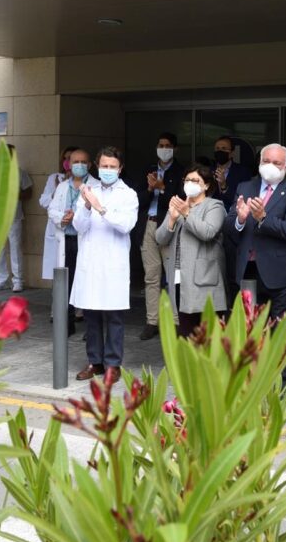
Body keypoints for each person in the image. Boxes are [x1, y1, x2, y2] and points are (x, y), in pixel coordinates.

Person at [228, 143, 286, 395]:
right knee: (253, 331)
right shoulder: (245, 187)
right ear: (259, 162)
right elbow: (230, 229)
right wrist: (240, 220)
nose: (271, 167)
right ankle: (256, 384)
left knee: (284, 333)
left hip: (283, 274)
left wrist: (263, 217)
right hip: (249, 272)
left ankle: (285, 390)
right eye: (267, 161)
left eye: (278, 163)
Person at [71, 147, 138, 382]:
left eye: (112, 167)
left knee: (113, 317)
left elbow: (125, 224)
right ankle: (94, 362)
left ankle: (113, 364)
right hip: (91, 262)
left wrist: (100, 208)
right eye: (104, 166)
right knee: (91, 316)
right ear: (97, 167)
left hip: (113, 263)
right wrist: (87, 206)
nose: (107, 170)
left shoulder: (128, 194)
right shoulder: (88, 191)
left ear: (120, 169)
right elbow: (79, 226)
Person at [156, 163, 227, 337]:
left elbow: (207, 232)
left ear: (207, 185)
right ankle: (186, 363)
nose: (190, 183)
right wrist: (172, 219)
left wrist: (187, 214)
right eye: (187, 180)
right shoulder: (178, 205)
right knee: (185, 326)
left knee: (207, 331)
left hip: (204, 276)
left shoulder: (214, 206)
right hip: (179, 274)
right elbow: (160, 238)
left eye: (195, 180)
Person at [137, 132, 186, 341]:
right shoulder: (148, 169)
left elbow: (181, 200)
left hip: (169, 225)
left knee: (173, 277)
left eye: (167, 145)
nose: (163, 148)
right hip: (149, 224)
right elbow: (137, 198)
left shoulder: (182, 171)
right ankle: (152, 321)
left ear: (175, 148)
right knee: (151, 276)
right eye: (160, 144)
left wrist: (162, 188)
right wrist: (149, 189)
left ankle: (176, 321)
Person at [46, 148, 93, 335]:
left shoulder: (95, 186)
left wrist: (77, 217)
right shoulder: (62, 186)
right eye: (75, 162)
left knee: (88, 283)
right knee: (67, 282)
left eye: (83, 162)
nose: (79, 166)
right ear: (69, 165)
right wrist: (62, 218)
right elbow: (52, 210)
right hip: (67, 239)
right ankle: (67, 323)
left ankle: (91, 328)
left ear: (89, 165)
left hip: (87, 242)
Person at [0, 144, 33, 293]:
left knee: (15, 248)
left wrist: (13, 194)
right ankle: (2, 280)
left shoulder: (19, 173)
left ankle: (18, 280)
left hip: (14, 217)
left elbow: (28, 193)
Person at [38, 146, 77, 281]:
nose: (67, 162)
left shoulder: (83, 179)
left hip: (74, 229)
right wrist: (56, 190)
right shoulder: (54, 178)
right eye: (65, 158)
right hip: (56, 227)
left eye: (70, 159)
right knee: (57, 270)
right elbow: (43, 201)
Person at [211, 135, 253, 203]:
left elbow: (244, 199)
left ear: (232, 153)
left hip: (233, 212)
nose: (220, 151)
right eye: (217, 148)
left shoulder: (243, 172)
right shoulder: (208, 171)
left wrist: (224, 186)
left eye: (224, 148)